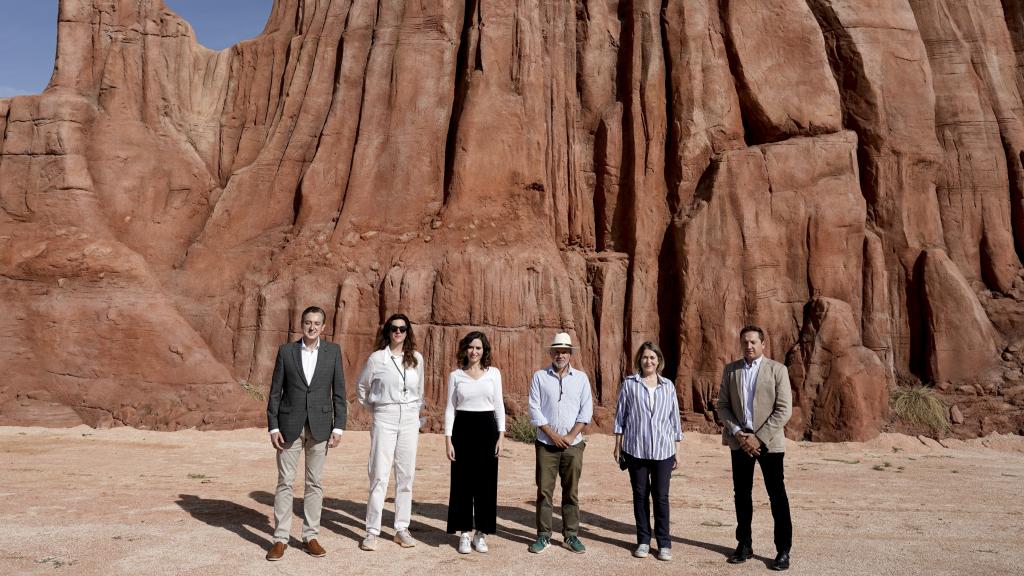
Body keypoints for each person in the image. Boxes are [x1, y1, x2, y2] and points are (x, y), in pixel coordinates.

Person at [265, 306, 347, 561]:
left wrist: (338, 426)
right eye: (308, 322)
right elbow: (275, 390)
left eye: (317, 323)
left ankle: (310, 535)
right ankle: (280, 539)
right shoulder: (286, 351)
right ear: (301, 325)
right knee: (285, 482)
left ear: (324, 327)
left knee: (314, 483)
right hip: (289, 426)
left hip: (321, 427)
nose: (312, 327)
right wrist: (273, 426)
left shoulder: (333, 352)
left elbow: (339, 393)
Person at [716, 325, 793, 571]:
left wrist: (758, 438)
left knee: (777, 496)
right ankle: (744, 545)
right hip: (740, 443)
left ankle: (783, 550)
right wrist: (739, 434)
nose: (748, 346)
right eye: (745, 342)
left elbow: (783, 410)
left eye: (753, 342)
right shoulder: (731, 370)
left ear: (763, 344)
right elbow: (723, 406)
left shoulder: (777, 370)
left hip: (768, 443)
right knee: (742, 495)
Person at [356, 313, 424, 551]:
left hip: (408, 418)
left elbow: (420, 390)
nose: (398, 332)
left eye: (402, 328)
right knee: (379, 474)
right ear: (387, 331)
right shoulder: (377, 359)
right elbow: (362, 387)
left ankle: (401, 528)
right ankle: (372, 530)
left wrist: (414, 414)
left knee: (406, 475)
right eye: (394, 328)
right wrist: (375, 409)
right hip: (384, 416)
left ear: (408, 332)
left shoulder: (416, 358)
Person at [613, 342, 683, 561]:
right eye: (645, 357)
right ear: (639, 360)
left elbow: (675, 420)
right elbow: (620, 417)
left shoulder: (668, 386)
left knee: (661, 497)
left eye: (653, 357)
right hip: (636, 450)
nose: (648, 361)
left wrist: (677, 450)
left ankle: (664, 543)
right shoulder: (629, 384)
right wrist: (617, 445)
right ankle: (643, 540)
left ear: (659, 360)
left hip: (663, 451)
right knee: (640, 496)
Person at [527, 332, 593, 554]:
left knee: (570, 491)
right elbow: (534, 408)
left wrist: (570, 436)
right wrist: (552, 434)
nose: (560, 355)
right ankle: (543, 535)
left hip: (573, 445)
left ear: (570, 354)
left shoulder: (581, 378)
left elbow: (586, 411)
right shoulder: (539, 377)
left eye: (564, 351)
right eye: (557, 351)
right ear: (551, 353)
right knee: (544, 491)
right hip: (546, 443)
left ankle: (571, 535)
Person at [444, 331, 506, 554]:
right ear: (465, 349)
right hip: (462, 430)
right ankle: (464, 533)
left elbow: (499, 406)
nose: (474, 351)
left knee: (486, 484)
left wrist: (501, 435)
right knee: (462, 483)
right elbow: (450, 409)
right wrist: (448, 440)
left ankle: (481, 532)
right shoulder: (456, 376)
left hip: (487, 430)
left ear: (484, 350)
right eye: (471, 347)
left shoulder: (494, 374)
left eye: (478, 348)